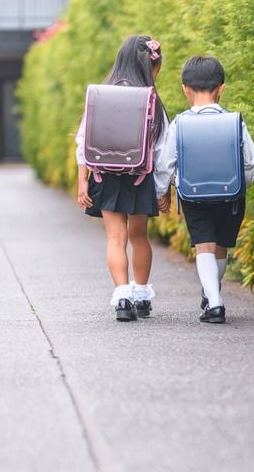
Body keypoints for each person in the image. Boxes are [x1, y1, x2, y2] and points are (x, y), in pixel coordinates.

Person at [154, 56, 254, 324]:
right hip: (231, 195)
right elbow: (250, 160)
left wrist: (160, 192)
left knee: (204, 246)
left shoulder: (180, 124)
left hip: (194, 195)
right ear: (221, 88)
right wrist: (242, 184)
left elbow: (165, 164)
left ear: (184, 88)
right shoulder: (235, 122)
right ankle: (213, 292)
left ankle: (214, 302)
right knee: (221, 246)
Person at [75, 35, 169, 322]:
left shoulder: (101, 96)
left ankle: (123, 298)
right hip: (141, 177)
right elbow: (162, 150)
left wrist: (82, 180)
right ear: (151, 68)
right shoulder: (152, 102)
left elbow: (83, 140)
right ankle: (141, 296)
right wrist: (162, 190)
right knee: (139, 236)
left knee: (116, 237)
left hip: (105, 177)